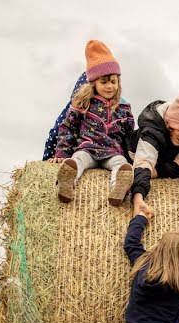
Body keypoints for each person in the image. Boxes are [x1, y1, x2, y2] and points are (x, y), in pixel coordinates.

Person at [52, 40, 135, 207]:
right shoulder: (84, 104)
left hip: (112, 152)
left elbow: (129, 135)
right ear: (94, 84)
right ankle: (67, 181)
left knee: (121, 165)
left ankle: (118, 189)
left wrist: (132, 156)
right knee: (78, 160)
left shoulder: (124, 109)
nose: (110, 86)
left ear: (118, 82)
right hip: (87, 148)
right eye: (104, 82)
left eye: (113, 81)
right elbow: (67, 128)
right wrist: (62, 153)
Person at [128, 95, 179, 220]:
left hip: (158, 164)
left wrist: (157, 172)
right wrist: (138, 198)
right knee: (137, 171)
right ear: (170, 124)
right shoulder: (151, 132)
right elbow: (144, 162)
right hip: (134, 158)